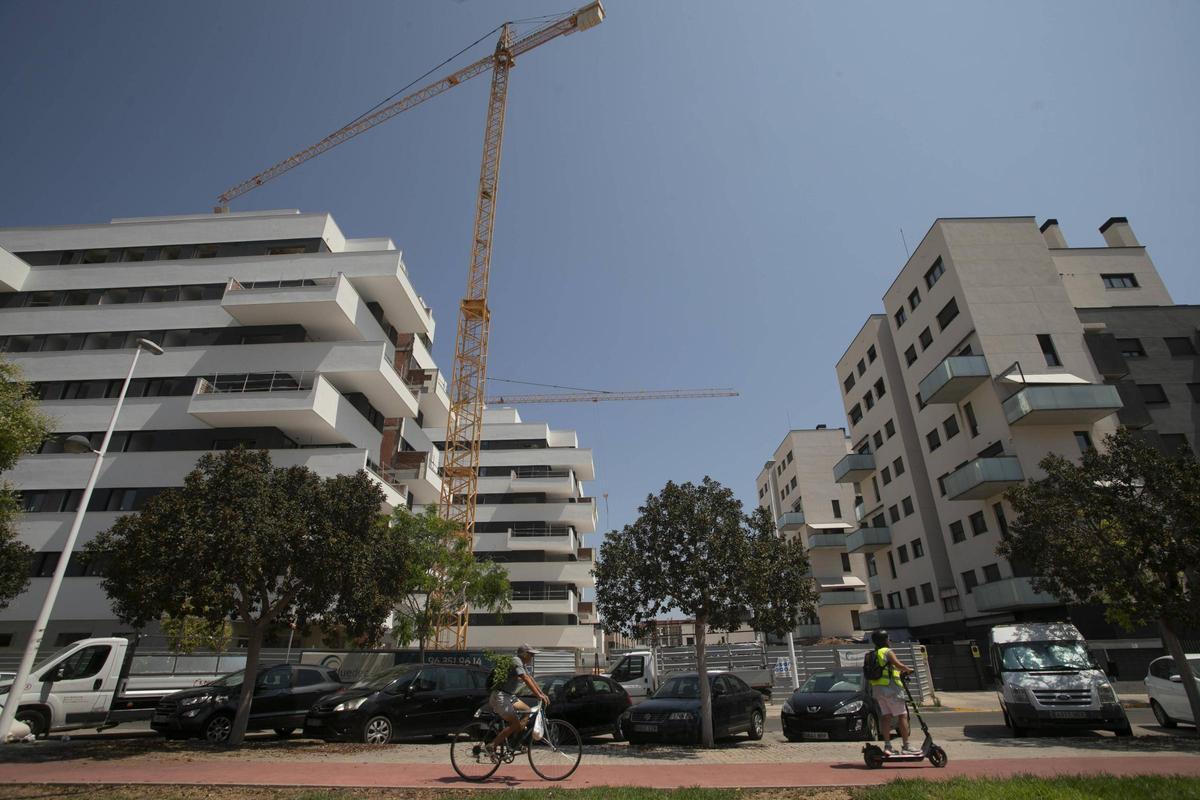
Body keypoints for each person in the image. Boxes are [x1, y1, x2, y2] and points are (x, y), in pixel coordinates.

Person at [488, 643, 550, 756]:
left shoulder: (522, 663)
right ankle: (492, 745)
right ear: (524, 654)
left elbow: (530, 678)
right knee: (515, 724)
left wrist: (542, 693)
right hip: (500, 696)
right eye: (531, 654)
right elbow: (525, 678)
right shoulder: (516, 660)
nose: (532, 657)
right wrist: (537, 695)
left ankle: (515, 742)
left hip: (509, 696)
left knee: (528, 711)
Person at [868, 629, 917, 755]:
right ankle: (906, 745)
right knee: (902, 715)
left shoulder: (873, 654)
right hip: (891, 689)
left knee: (886, 716)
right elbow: (898, 665)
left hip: (878, 690)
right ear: (885, 640)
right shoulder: (886, 651)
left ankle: (887, 746)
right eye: (888, 639)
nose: (889, 641)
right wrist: (908, 669)